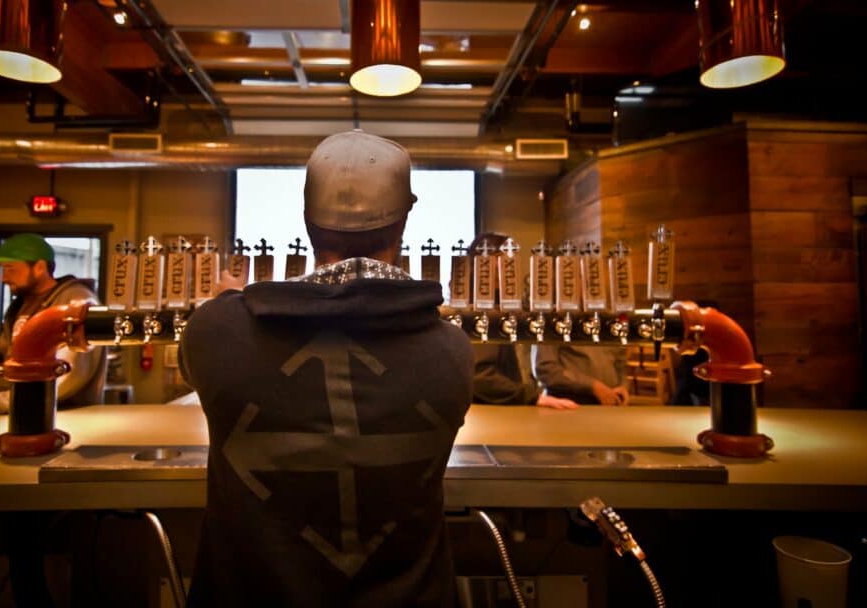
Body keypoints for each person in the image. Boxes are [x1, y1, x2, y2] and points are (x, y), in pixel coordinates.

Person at [180, 130, 474, 607]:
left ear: (306, 222)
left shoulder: (216, 332)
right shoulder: (452, 352)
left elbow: (200, 364)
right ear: (403, 226)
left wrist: (222, 302)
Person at [0, 233, 106, 415]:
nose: (3, 278)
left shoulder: (76, 302)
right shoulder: (19, 307)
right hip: (18, 414)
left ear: (39, 267)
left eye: (10, 269)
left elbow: (67, 374)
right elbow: (4, 372)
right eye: (2, 269)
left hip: (61, 417)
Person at [466, 232, 578, 409]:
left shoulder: (501, 307)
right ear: (484, 263)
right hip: (492, 415)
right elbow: (481, 377)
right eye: (505, 257)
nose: (511, 264)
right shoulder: (479, 310)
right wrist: (531, 397)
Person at [535, 342, 629, 405]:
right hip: (570, 407)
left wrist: (623, 386)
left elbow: (620, 363)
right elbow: (546, 369)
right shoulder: (555, 322)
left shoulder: (610, 322)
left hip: (610, 408)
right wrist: (592, 386)